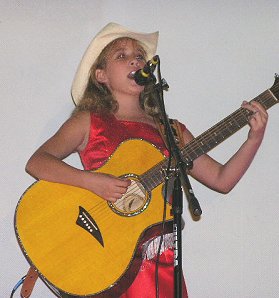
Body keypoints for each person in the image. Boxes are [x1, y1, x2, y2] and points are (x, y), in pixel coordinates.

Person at [25, 23, 268, 298]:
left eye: (139, 56)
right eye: (122, 55)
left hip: (159, 262)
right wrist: (93, 182)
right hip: (105, 255)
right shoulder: (88, 121)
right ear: (100, 75)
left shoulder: (171, 130)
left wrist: (254, 139)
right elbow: (38, 162)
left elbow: (221, 180)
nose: (135, 60)